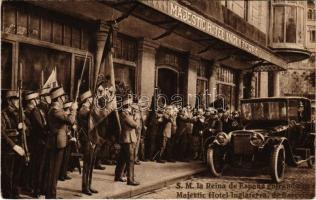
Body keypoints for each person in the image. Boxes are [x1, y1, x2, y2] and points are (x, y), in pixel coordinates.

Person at [45, 86, 77, 198]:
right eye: (63, 97)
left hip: (57, 142)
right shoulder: (56, 111)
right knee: (54, 171)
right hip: (56, 143)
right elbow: (71, 121)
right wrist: (73, 109)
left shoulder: (56, 110)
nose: (64, 99)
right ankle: (51, 195)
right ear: (58, 99)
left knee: (54, 171)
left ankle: (51, 194)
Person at [1, 90, 29, 198]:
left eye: (18, 99)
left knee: (18, 173)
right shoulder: (3, 114)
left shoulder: (20, 113)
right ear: (9, 101)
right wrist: (14, 146)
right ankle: (8, 195)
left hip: (20, 146)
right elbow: (2, 134)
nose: (18, 101)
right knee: (8, 174)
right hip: (9, 149)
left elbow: (29, 129)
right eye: (15, 99)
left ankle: (15, 194)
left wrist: (24, 128)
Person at [24, 91, 49, 197]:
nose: (38, 100)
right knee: (37, 167)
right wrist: (48, 133)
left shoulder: (38, 110)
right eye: (36, 99)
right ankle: (35, 190)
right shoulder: (33, 111)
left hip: (39, 141)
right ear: (32, 101)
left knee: (38, 167)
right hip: (37, 142)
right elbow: (40, 127)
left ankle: (37, 188)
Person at [114, 96, 140, 186]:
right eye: (130, 104)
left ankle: (118, 176)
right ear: (128, 105)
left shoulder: (127, 113)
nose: (132, 106)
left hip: (127, 138)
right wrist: (136, 117)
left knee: (122, 159)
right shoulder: (125, 114)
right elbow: (134, 125)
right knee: (130, 159)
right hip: (128, 139)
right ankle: (131, 180)